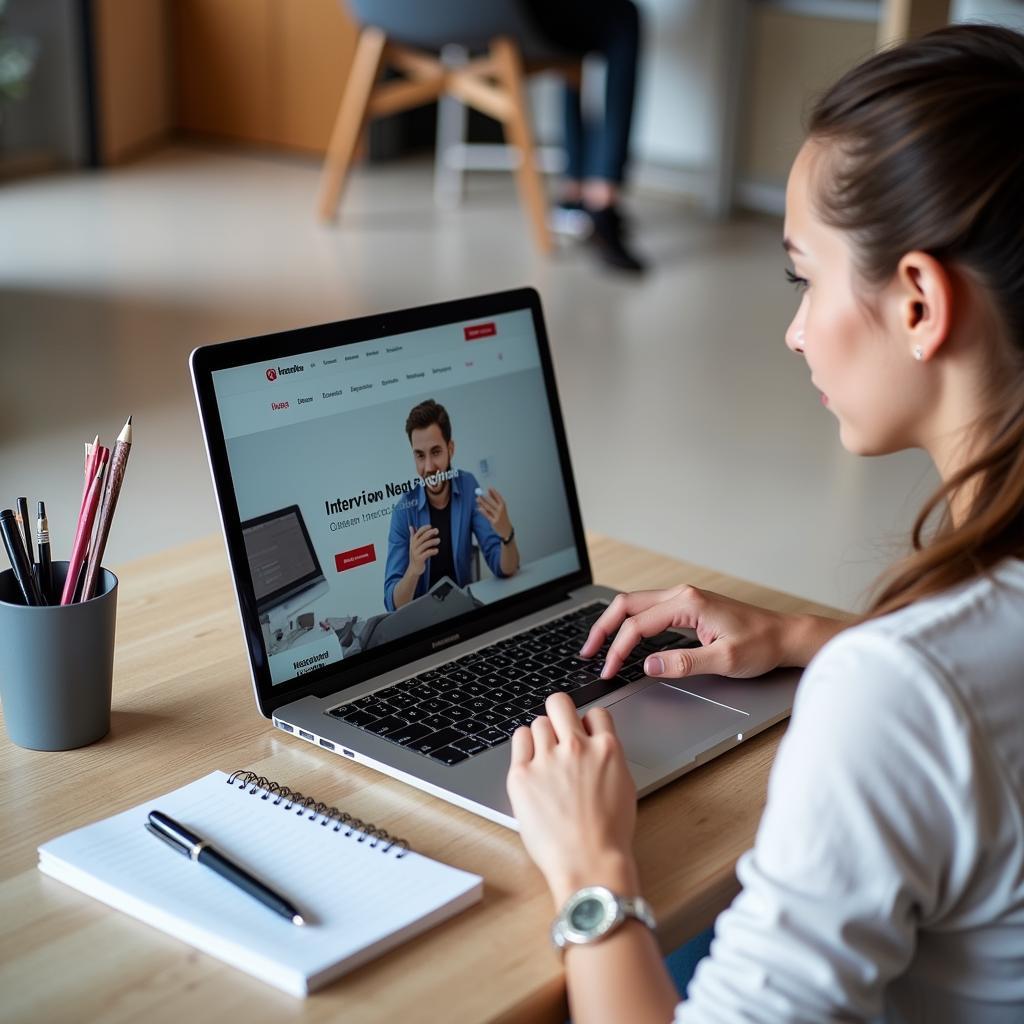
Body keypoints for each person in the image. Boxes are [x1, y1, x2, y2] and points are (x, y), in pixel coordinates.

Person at [505, 25, 1024, 1023]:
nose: (793, 329)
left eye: (804, 277)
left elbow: (934, 702)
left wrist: (590, 868)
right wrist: (807, 638)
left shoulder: (897, 698)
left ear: (918, 299)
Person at [524, 0, 646, 273]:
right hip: (516, 17)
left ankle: (573, 190)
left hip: (430, 18)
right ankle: (601, 199)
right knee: (623, 16)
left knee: (572, 34)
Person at [384, 399, 519, 611]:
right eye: (420, 455)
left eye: (436, 452)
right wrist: (413, 569)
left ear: (450, 449)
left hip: (463, 614)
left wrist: (506, 535)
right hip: (422, 625)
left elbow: (504, 568)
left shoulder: (467, 485)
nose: (428, 467)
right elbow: (392, 604)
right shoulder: (404, 510)